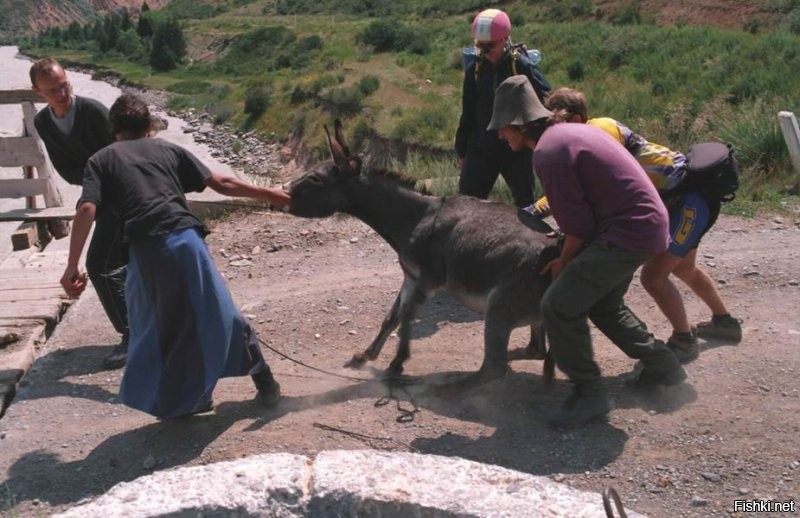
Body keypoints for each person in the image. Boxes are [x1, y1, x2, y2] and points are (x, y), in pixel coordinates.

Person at [59, 93, 291, 419]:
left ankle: (187, 398)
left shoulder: (101, 159)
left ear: (114, 129)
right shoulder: (166, 148)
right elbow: (221, 182)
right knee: (219, 312)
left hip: (147, 250)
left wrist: (72, 265)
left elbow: (86, 207)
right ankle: (264, 382)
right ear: (149, 126)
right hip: (186, 240)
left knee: (157, 324)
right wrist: (272, 194)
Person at [487, 76, 687, 428]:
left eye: (503, 129)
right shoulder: (573, 133)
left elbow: (577, 228)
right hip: (647, 225)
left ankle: (590, 394)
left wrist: (563, 263)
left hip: (628, 232)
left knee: (558, 305)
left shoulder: (549, 152)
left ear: (518, 125)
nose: (501, 136)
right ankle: (664, 366)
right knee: (603, 304)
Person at [541, 87, 743, 363]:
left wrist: (538, 209)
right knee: (683, 267)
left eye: (555, 124)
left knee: (653, 276)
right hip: (682, 200)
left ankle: (684, 341)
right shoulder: (592, 130)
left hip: (689, 201)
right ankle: (725, 323)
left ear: (574, 120)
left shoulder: (598, 130)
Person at [30, 58, 129, 370]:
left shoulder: (94, 111)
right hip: (96, 194)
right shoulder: (43, 123)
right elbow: (64, 168)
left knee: (99, 264)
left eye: (64, 86)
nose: (62, 94)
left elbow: (121, 152)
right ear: (38, 92)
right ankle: (143, 330)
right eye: (52, 91)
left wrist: (96, 179)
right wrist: (92, 179)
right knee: (120, 262)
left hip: (123, 192)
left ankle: (133, 335)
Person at [454, 8, 551, 208]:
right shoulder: (475, 70)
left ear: (504, 39)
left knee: (525, 205)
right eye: (479, 46)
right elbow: (468, 111)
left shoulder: (522, 66)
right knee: (466, 205)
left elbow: (547, 101)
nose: (484, 51)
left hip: (515, 149)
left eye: (489, 46)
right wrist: (462, 151)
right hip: (481, 147)